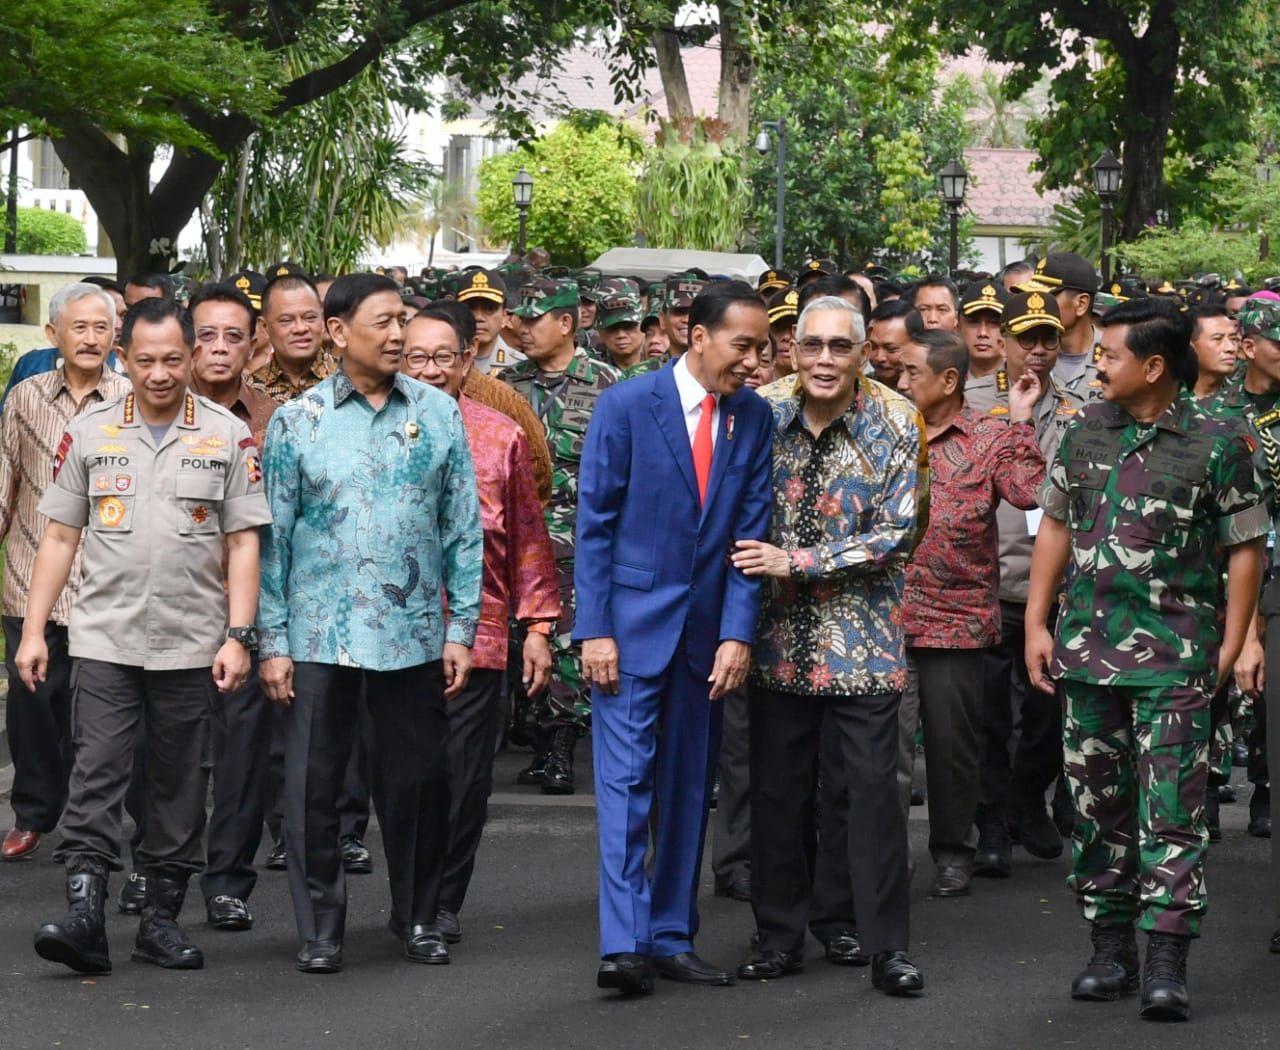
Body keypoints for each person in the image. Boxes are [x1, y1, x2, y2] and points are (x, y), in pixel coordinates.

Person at [1025, 296, 1267, 1020]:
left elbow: (1245, 547)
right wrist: (1037, 623)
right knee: (1097, 811)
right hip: (1086, 658)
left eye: (1109, 354)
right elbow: (1056, 526)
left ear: (1154, 365)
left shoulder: (1222, 440)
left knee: (1174, 813)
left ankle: (1167, 958)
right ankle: (1110, 952)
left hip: (1176, 660)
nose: (1098, 364)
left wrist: (1232, 641)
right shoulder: (1085, 432)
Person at [22, 296, 270, 974]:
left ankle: (160, 920)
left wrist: (238, 634)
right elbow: (60, 535)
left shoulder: (225, 434)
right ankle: (84, 916)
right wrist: (35, 630)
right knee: (95, 774)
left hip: (193, 645)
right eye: (145, 361)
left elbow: (243, 541)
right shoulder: (92, 431)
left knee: (179, 785)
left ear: (190, 356)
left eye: (172, 360)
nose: (159, 374)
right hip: (104, 639)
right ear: (122, 359)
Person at [257, 273, 481, 975]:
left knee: (417, 786)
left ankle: (417, 919)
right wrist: (273, 641)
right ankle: (321, 929)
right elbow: (274, 540)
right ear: (336, 331)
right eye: (382, 323)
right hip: (320, 637)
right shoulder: (299, 422)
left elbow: (463, 530)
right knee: (312, 789)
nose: (397, 336)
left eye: (402, 322)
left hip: (411, 637)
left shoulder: (440, 415)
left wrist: (461, 628)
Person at [576, 280, 774, 995]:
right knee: (625, 788)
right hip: (625, 634)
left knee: (689, 789)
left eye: (762, 348)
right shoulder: (626, 405)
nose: (754, 361)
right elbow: (594, 525)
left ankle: (669, 935)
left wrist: (737, 633)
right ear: (697, 336)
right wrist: (594, 628)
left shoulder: (752, 418)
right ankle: (622, 944)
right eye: (742, 345)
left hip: (705, 639)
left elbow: (752, 533)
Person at [731, 295, 925, 996]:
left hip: (864, 648)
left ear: (865, 352)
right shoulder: (759, 413)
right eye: (810, 345)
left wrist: (800, 561)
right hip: (775, 643)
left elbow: (899, 532)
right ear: (790, 348)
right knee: (777, 798)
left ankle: (883, 945)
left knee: (872, 799)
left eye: (839, 347)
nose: (822, 359)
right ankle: (778, 934)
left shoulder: (898, 421)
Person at [399, 305, 560, 944]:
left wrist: (540, 628)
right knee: (409, 780)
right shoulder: (371, 429)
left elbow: (527, 536)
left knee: (466, 782)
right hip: (394, 638)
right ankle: (408, 896)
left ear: (468, 360)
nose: (431, 370)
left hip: (483, 634)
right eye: (416, 357)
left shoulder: (501, 435)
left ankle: (441, 904)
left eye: (444, 357)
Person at [895, 328, 1045, 898]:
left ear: (950, 380)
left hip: (955, 620)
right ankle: (884, 854)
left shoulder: (988, 436)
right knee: (886, 750)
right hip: (883, 619)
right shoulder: (883, 427)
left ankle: (953, 852)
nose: (900, 380)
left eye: (912, 372)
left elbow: (1031, 493)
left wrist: (1022, 422)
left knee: (955, 751)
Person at [0, 284, 130, 862]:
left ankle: (85, 819)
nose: (90, 338)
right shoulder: (25, 397)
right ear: (53, 335)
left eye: (100, 328)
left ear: (114, 335)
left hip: (107, 583)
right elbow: (5, 479)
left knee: (94, 711)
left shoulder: (132, 398)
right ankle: (32, 812)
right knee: (31, 708)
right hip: (29, 578)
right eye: (78, 327)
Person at [966, 290, 1083, 876]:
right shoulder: (967, 402)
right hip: (986, 581)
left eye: (1048, 340)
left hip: (1056, 587)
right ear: (1004, 344)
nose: (1037, 352)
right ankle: (990, 820)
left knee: (1050, 711)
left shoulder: (1083, 405)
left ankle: (1026, 797)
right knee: (988, 715)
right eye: (1026, 339)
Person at [183, 282, 283, 932]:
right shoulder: (147, 411)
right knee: (162, 753)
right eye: (206, 336)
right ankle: (154, 866)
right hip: (168, 604)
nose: (219, 349)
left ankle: (226, 881)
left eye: (233, 336)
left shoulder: (279, 420)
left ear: (256, 344)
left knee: (245, 751)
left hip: (246, 608)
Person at [503, 279, 620, 794]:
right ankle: (535, 733)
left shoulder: (607, 384)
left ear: (567, 323)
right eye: (520, 320)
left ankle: (562, 745)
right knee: (521, 636)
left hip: (578, 534)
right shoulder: (507, 385)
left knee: (570, 641)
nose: (523, 330)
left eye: (535, 320)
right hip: (514, 536)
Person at [247, 275, 336, 401]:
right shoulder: (249, 391)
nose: (300, 328)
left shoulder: (352, 380)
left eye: (310, 317)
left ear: (322, 319)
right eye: (286, 320)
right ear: (264, 326)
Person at [1028, 253, 1103, 404]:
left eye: (1047, 298)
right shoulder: (1025, 355)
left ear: (1081, 304)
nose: (1035, 305)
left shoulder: (1117, 357)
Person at [458, 269, 524, 374]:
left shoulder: (520, 367)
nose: (479, 317)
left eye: (490, 308)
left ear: (505, 317)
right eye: (470, 308)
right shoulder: (437, 363)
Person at [865, 299, 924, 388]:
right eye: (873, 347)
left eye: (891, 349)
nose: (879, 357)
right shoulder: (860, 388)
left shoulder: (931, 390)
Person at [1190, 303, 1240, 402]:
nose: (1230, 348)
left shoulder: (1244, 397)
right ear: (1190, 345)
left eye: (1233, 338)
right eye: (1217, 339)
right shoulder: (1166, 397)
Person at [958, 281, 1008, 379]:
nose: (983, 333)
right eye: (974, 322)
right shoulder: (944, 380)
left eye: (994, 323)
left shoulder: (1025, 380)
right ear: (958, 326)